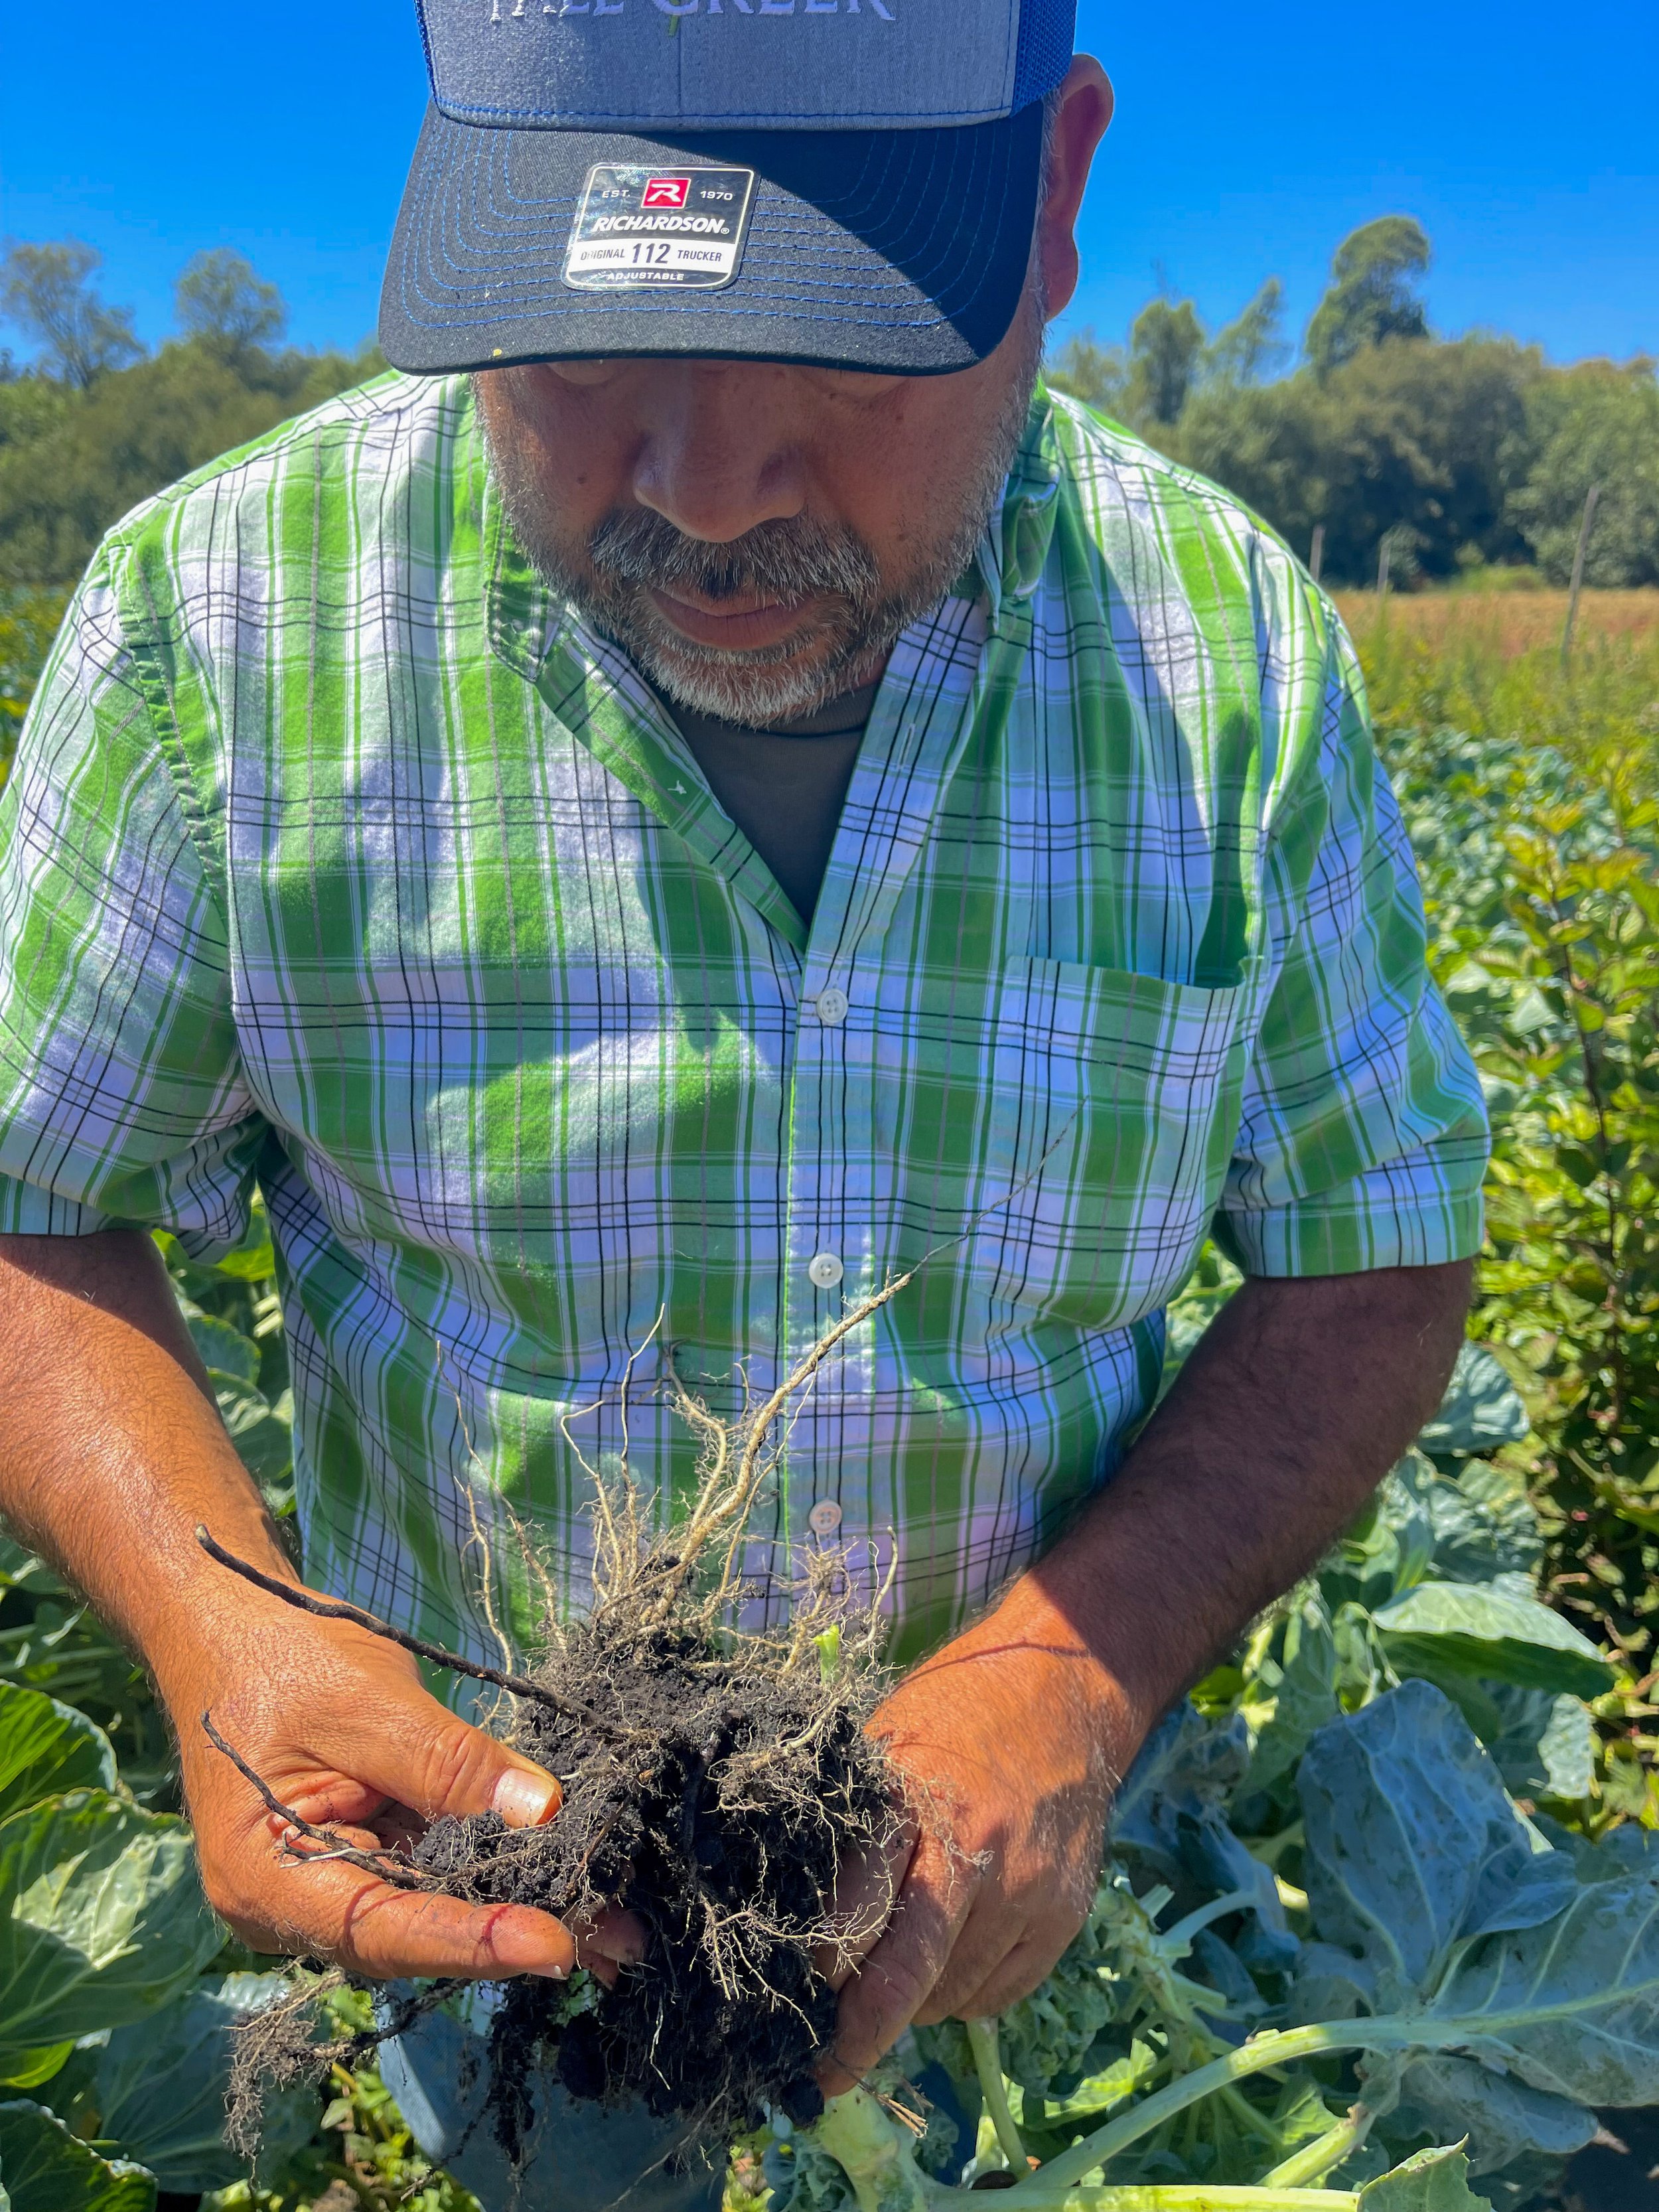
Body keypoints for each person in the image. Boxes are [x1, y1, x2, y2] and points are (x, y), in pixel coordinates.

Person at [0, 0, 1487, 2203]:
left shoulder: (1226, 651)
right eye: (576, 348)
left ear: (1054, 195)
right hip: (512, 1930)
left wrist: (1071, 1683)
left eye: (840, 346)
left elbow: (1372, 1258)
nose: (699, 490)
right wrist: (226, 1620)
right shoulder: (217, 621)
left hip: (1039, 1927)